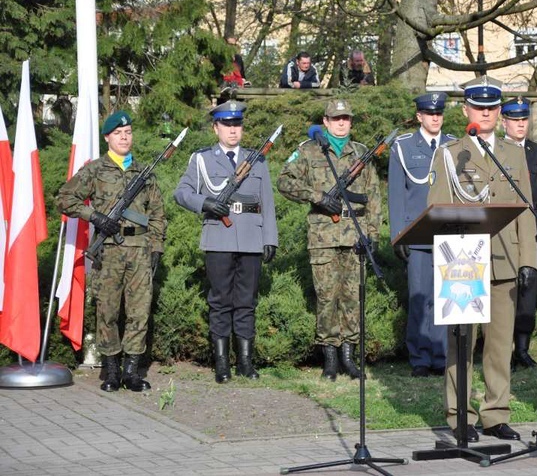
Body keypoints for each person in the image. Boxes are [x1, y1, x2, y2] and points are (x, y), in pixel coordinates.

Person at [427, 76, 537, 443]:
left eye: (492, 106)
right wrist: (444, 266)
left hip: (504, 258)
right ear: (466, 110)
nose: (486, 112)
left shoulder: (512, 153)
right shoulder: (450, 153)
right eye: (479, 106)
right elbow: (437, 210)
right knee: (462, 344)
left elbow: (524, 209)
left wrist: (527, 261)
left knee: (500, 342)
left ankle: (495, 414)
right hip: (463, 263)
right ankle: (460, 415)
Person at [57, 110, 166, 393]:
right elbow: (65, 198)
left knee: (138, 312)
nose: (124, 137)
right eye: (118, 133)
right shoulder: (95, 170)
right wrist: (94, 216)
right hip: (108, 250)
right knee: (107, 310)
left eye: (128, 133)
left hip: (140, 251)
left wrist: (156, 247)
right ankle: (111, 370)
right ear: (107, 137)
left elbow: (157, 214)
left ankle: (132, 371)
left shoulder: (145, 173)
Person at [174, 100, 278, 383]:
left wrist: (270, 238)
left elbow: (266, 201)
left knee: (246, 301)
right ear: (215, 127)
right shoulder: (202, 159)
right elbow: (181, 193)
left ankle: (245, 362)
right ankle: (222, 364)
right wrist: (205, 202)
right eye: (227, 125)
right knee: (220, 302)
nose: (233, 130)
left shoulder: (257, 159)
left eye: (237, 125)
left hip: (250, 238)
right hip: (218, 236)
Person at [277, 99, 381, 381]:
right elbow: (284, 181)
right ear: (325, 121)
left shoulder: (360, 153)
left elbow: (373, 196)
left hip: (355, 233)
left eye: (346, 118)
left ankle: (349, 356)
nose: (341, 123)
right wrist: (318, 197)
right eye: (336, 118)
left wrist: (373, 233)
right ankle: (330, 358)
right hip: (323, 236)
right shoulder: (308, 152)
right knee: (326, 298)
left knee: (353, 298)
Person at [388, 92, 452, 378]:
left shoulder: (453, 145)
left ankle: (440, 356)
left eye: (438, 113)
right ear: (419, 117)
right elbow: (396, 195)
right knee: (419, 297)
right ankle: (419, 357)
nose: (435, 117)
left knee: (444, 297)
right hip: (416, 233)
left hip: (447, 235)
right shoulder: (402, 147)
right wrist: (398, 234)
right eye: (429, 113)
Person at [500, 96, 537, 371]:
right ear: (504, 121)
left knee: (529, 293)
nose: (520, 125)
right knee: (504, 294)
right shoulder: (496, 150)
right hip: (504, 230)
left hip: (533, 229)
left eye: (524, 119)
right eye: (515, 120)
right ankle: (502, 349)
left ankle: (523, 350)